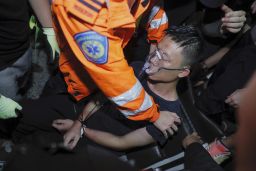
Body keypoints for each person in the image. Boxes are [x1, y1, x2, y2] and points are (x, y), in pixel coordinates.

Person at [52, 25, 202, 150]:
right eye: (157, 50)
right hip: (83, 116)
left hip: (101, 144)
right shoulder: (137, 68)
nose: (154, 59)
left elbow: (120, 142)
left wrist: (82, 130)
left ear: (183, 72)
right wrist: (78, 123)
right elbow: (101, 97)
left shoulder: (169, 118)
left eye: (165, 58)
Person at [50, 0, 178, 143]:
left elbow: (152, 8)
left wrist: (157, 41)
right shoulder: (89, 8)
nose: (155, 60)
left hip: (98, 92)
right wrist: (154, 115)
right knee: (48, 109)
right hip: (78, 73)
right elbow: (113, 78)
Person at [0, 0, 59, 120]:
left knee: (24, 80)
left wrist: (50, 29)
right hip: (2, 66)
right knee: (13, 112)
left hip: (22, 44)